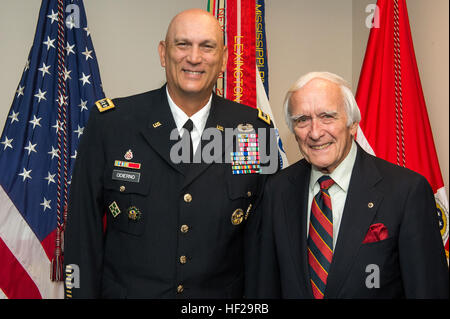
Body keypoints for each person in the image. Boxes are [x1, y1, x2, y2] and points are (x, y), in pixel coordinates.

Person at [63, 8, 275, 298]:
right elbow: (82, 232)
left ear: (224, 59)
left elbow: (261, 243)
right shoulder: (112, 124)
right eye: (183, 44)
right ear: (164, 53)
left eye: (207, 46)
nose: (194, 57)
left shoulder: (251, 130)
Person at [253, 72, 449, 299]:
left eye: (327, 116)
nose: (315, 132)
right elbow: (265, 288)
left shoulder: (406, 191)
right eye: (302, 120)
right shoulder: (277, 190)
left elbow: (428, 291)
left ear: (353, 124)